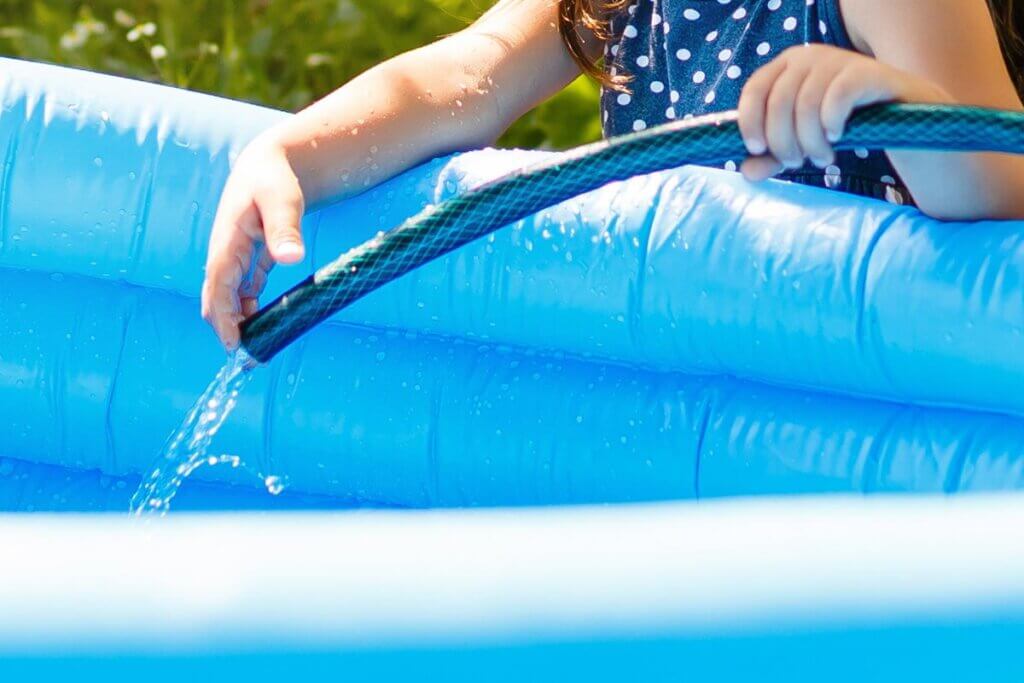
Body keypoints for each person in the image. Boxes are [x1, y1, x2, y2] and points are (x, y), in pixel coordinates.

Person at [202, 0, 1024, 350]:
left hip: (842, 389)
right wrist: (290, 152)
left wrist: (903, 109)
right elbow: (463, 80)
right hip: (671, 378)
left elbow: (1000, 190)